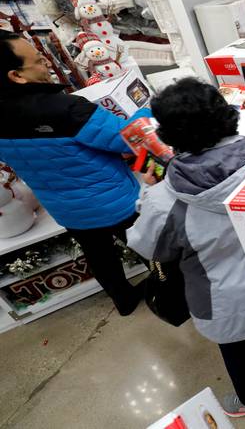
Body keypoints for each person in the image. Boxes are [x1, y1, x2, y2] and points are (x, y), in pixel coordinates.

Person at [127, 79, 245, 417]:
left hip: (223, 294)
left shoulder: (164, 200)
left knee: (240, 349)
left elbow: (146, 245)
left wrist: (148, 191)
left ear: (168, 134)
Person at [0, 31, 148, 316]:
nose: (46, 63)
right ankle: (168, 292)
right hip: (112, 200)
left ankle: (124, 300)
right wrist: (147, 112)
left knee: (100, 257)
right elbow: (128, 138)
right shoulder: (66, 108)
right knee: (147, 244)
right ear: (16, 76)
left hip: (65, 209)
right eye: (38, 61)